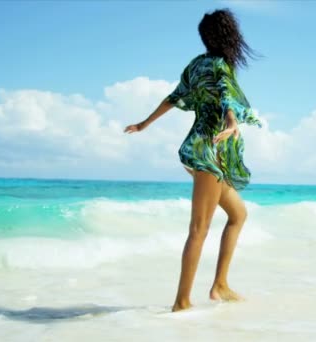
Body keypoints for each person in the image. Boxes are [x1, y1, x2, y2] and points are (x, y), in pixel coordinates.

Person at [124, 8, 262, 312]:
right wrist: (232, 123)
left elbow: (175, 96)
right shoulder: (220, 66)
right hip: (208, 153)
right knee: (199, 229)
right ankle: (181, 302)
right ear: (230, 35)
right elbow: (226, 96)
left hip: (198, 149)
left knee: (238, 214)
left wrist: (146, 123)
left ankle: (220, 285)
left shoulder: (196, 65)